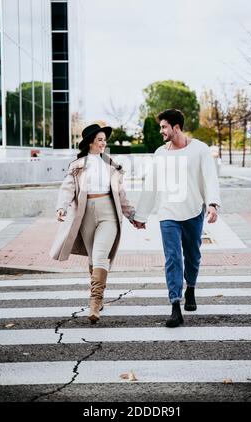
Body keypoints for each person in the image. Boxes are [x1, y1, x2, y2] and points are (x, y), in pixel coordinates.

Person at [133, 109, 221, 327]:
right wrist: (141, 215)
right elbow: (151, 185)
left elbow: (210, 178)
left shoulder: (200, 149)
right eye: (161, 127)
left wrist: (212, 204)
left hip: (193, 210)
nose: (161, 131)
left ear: (176, 127)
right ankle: (175, 306)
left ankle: (190, 288)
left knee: (193, 254)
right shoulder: (160, 153)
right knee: (173, 258)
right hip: (167, 213)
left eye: (164, 127)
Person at [50, 123, 138, 323]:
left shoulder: (111, 165)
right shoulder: (77, 165)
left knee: (100, 256)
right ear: (90, 142)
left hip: (109, 212)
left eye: (104, 140)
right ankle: (99, 299)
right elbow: (67, 188)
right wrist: (61, 207)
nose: (103, 143)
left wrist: (132, 215)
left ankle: (94, 301)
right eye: (100, 140)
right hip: (85, 214)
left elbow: (121, 195)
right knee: (92, 258)